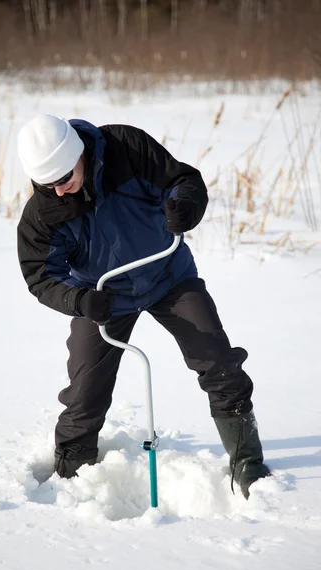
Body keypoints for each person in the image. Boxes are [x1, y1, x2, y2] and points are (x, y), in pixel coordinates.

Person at [16, 114, 270, 499]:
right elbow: (40, 276)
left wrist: (185, 205)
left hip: (169, 275)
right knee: (85, 389)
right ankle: (72, 475)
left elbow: (182, 181)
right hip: (102, 296)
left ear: (78, 154)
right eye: (47, 185)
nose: (61, 192)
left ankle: (247, 463)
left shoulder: (126, 150)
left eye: (64, 179)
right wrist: (80, 300)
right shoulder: (43, 214)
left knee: (218, 361)